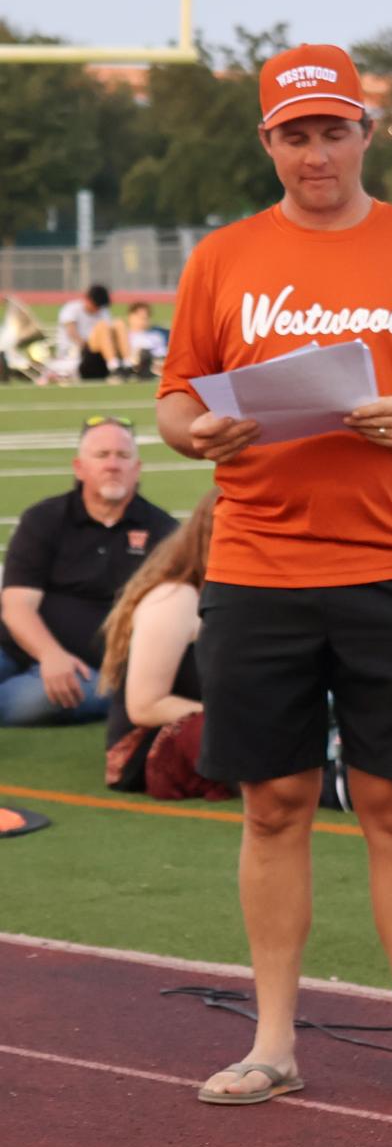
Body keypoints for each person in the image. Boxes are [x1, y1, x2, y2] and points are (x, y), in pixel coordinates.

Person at [155, 42, 392, 1109]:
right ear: (268, 141)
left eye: (334, 130)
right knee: (274, 803)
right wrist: (197, 433)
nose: (317, 153)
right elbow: (175, 396)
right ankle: (273, 1040)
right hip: (256, 566)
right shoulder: (221, 257)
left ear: (367, 131)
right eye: (296, 134)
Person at [1, 416, 177, 726]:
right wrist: (50, 655)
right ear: (79, 467)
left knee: (41, 700)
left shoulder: (162, 531)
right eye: (102, 455)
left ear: (136, 468)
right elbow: (17, 605)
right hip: (15, 647)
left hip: (91, 670)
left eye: (123, 456)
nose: (113, 465)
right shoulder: (44, 518)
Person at [99, 490, 231, 800]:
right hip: (154, 744)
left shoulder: (239, 595)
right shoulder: (175, 599)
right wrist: (240, 717)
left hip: (217, 724)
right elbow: (145, 706)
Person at [56, 285, 111, 381]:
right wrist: (86, 345)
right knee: (102, 327)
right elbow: (71, 332)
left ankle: (118, 365)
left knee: (118, 324)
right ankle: (113, 364)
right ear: (88, 300)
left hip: (97, 352)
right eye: (96, 306)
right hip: (75, 351)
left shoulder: (103, 312)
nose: (97, 309)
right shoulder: (71, 309)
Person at [124, 303, 168, 379]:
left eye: (146, 318)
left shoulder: (157, 335)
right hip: (132, 366)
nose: (142, 321)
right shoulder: (124, 335)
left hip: (154, 365)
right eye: (139, 317)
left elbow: (162, 355)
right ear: (130, 317)